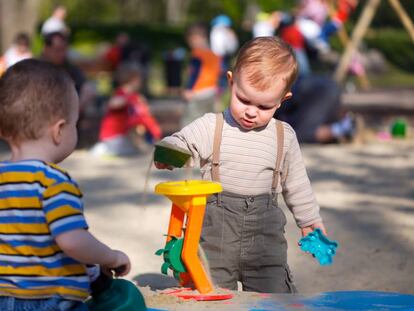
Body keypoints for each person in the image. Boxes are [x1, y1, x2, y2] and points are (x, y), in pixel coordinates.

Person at [155, 37, 326, 293]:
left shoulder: (284, 135)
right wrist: (170, 152)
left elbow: (297, 183)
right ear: (231, 82)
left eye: (264, 105)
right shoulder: (212, 125)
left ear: (282, 99)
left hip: (265, 240)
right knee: (212, 293)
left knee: (273, 297)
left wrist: (309, 220)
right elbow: (182, 141)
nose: (251, 112)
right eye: (243, 99)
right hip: (215, 236)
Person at [0, 59, 131, 310]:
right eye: (74, 122)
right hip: (49, 300)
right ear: (59, 130)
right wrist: (111, 256)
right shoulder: (53, 182)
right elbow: (72, 240)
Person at [91, 62, 162, 157]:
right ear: (134, 79)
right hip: (113, 137)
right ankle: (104, 148)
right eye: (140, 79)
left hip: (124, 136)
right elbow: (113, 103)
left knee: (137, 128)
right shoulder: (121, 94)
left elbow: (143, 115)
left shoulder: (135, 96)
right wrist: (127, 100)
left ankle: (142, 147)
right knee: (132, 149)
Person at [183, 23, 220, 126]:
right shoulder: (213, 54)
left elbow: (194, 74)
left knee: (190, 121)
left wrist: (189, 89)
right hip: (211, 91)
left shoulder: (197, 54)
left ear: (194, 38)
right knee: (207, 122)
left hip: (197, 92)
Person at [210, 15, 239, 92]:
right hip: (221, 54)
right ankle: (221, 88)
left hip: (219, 54)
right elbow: (224, 45)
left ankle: (220, 88)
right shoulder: (220, 31)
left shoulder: (215, 30)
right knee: (222, 72)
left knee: (222, 71)